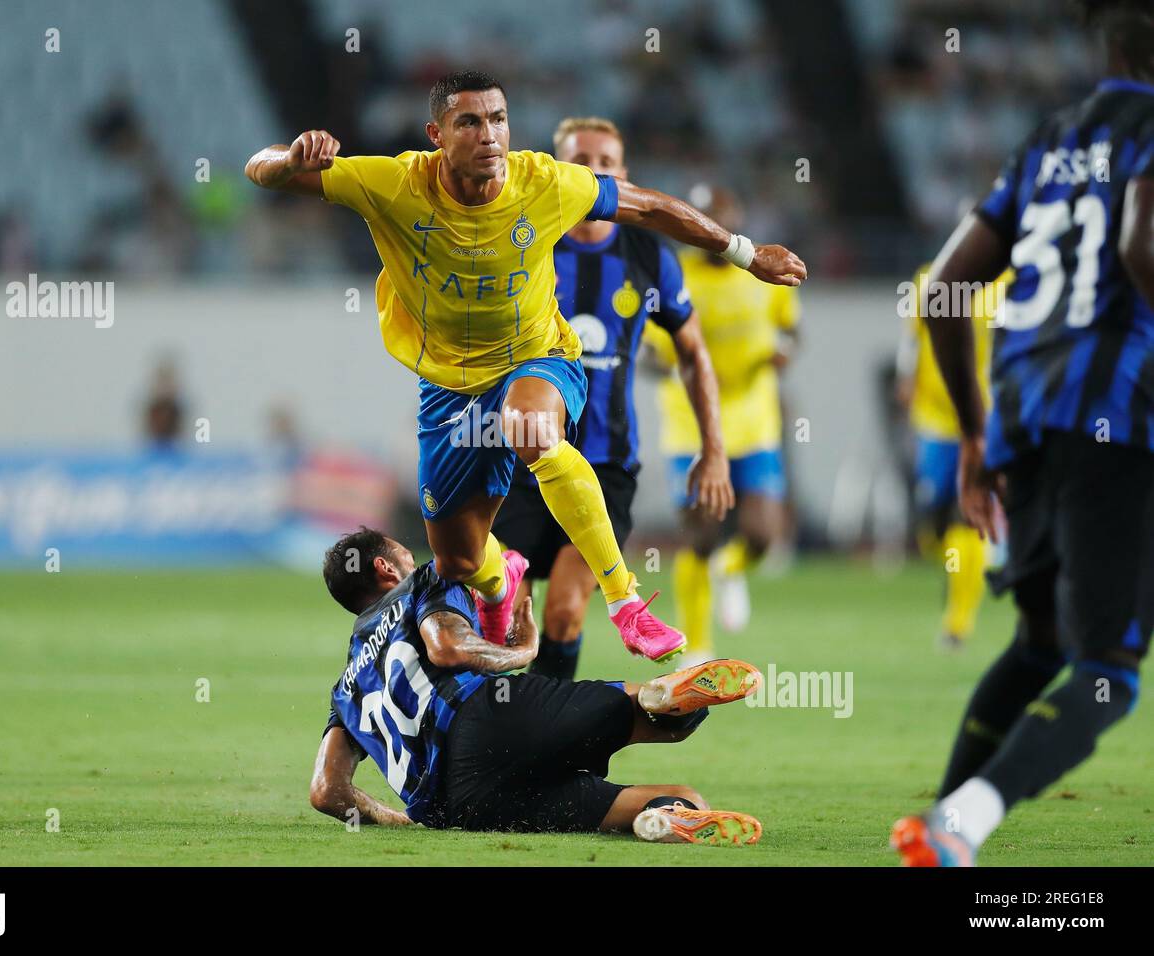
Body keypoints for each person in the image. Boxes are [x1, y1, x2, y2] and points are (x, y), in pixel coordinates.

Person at [245, 70, 806, 665]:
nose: (490, 135)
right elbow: (261, 166)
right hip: (449, 386)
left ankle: (627, 604)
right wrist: (289, 160)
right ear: (437, 134)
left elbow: (649, 207)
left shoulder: (543, 182)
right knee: (460, 560)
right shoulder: (393, 182)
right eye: (469, 122)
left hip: (539, 359)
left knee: (532, 426)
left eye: (498, 119)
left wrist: (743, 253)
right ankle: (501, 577)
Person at [892, 0, 1154, 865]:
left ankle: (936, 827)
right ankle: (964, 824)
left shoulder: (1049, 138)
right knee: (1108, 671)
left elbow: (942, 289)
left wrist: (974, 436)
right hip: (1117, 421)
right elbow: (1141, 246)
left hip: (1026, 418)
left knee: (1042, 641)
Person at [310, 527, 763, 843]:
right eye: (404, 554)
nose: (413, 559)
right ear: (386, 568)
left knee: (684, 800)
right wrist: (523, 652)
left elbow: (327, 791)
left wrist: (392, 818)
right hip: (483, 720)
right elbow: (447, 647)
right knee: (668, 719)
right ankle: (659, 698)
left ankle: (662, 820)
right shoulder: (421, 583)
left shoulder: (346, 687)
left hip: (457, 806)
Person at [492, 117, 731, 681]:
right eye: (580, 160)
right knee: (505, 617)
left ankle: (547, 740)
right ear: (559, 170)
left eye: (605, 162)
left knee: (567, 611)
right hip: (523, 463)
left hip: (606, 464)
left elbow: (694, 353)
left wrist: (713, 448)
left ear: (623, 176)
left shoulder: (647, 256)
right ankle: (496, 739)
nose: (593, 171)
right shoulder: (532, 241)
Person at [643, 187, 799, 654]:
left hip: (753, 421)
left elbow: (790, 326)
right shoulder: (676, 278)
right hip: (691, 423)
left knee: (761, 534)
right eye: (705, 216)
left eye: (722, 214)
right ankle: (699, 647)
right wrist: (677, 366)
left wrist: (783, 351)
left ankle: (730, 571)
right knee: (701, 533)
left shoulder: (761, 272)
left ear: (735, 219)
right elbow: (651, 353)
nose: (713, 223)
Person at [895, 261, 1007, 650]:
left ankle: (957, 623)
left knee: (968, 516)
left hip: (984, 420)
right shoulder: (928, 277)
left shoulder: (1009, 282)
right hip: (935, 417)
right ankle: (965, 563)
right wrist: (906, 376)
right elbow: (912, 338)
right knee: (931, 526)